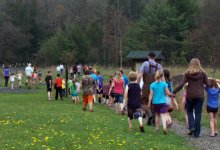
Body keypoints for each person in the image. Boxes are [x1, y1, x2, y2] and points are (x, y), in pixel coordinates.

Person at [173, 58, 210, 138]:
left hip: (190, 96)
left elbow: (181, 85)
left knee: (189, 111)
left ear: (190, 64)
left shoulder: (187, 73)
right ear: (199, 64)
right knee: (198, 114)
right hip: (200, 96)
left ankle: (192, 127)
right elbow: (208, 84)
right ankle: (197, 133)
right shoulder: (203, 73)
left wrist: (174, 91)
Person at [137, 52, 162, 126]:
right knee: (154, 103)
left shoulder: (145, 63)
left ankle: (149, 114)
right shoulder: (159, 65)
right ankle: (154, 121)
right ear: (155, 57)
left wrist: (137, 84)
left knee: (143, 102)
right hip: (156, 86)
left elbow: (140, 75)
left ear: (148, 57)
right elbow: (162, 77)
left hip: (146, 86)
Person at [148, 70, 175, 135]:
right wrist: (172, 95)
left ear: (155, 76)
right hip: (163, 102)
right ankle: (164, 128)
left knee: (157, 115)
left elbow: (151, 95)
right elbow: (168, 93)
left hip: (155, 103)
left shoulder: (152, 85)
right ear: (162, 76)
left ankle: (157, 128)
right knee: (163, 115)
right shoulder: (164, 84)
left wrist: (149, 103)